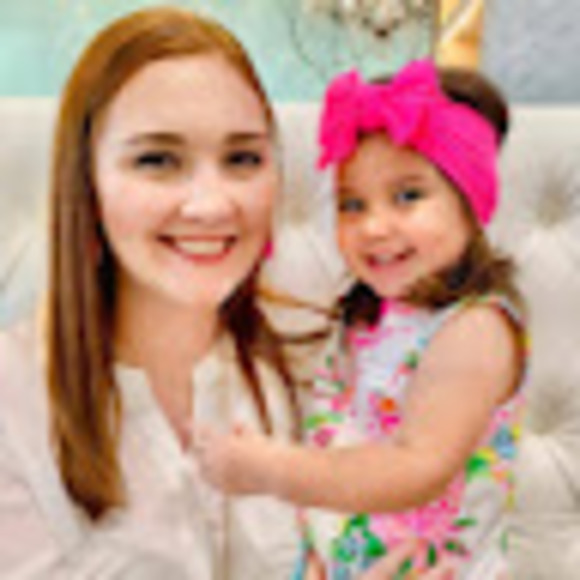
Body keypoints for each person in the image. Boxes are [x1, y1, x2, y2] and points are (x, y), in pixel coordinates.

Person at [0, 6, 454, 579]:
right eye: (158, 160)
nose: (212, 204)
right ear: (87, 187)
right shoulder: (13, 403)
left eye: (242, 159)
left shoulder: (319, 365)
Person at [196, 59, 527, 579]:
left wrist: (271, 469)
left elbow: (417, 467)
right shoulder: (371, 317)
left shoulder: (475, 330)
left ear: (469, 203)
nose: (373, 227)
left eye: (407, 196)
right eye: (352, 204)